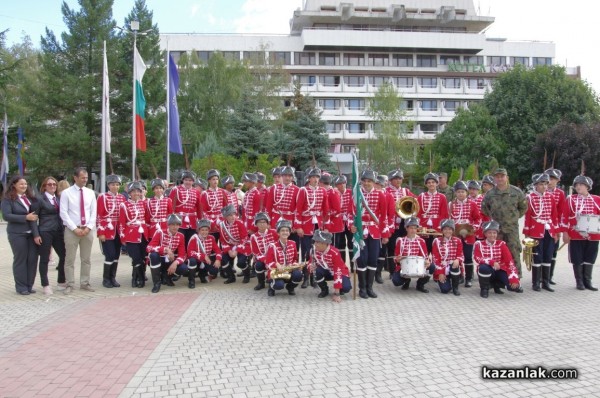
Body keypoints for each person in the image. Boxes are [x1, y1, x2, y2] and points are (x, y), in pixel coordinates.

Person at [349, 169, 389, 299]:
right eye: (364, 181)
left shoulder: (380, 195)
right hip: (361, 232)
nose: (366, 183)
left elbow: (384, 216)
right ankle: (362, 288)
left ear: (374, 182)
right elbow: (350, 214)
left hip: (375, 232)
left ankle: (370, 287)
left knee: (373, 260)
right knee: (362, 260)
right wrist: (351, 226)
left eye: (369, 181)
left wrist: (385, 234)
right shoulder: (356, 195)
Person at [481, 168, 527, 276]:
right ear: (494, 179)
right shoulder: (490, 194)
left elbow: (523, 207)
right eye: (497, 177)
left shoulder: (516, 192)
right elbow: (484, 209)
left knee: (514, 252)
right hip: (496, 230)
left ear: (507, 177)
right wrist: (495, 217)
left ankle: (516, 278)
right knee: (496, 253)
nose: (500, 178)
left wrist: (513, 218)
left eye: (502, 176)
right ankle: (497, 279)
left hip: (511, 229)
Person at [59, 167, 97, 294]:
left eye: (86, 178)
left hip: (87, 230)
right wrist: (74, 228)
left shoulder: (90, 193)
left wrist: (89, 227)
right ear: (75, 178)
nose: (85, 180)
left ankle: (85, 283)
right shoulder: (66, 193)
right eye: (82, 178)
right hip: (72, 230)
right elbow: (63, 213)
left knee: (86, 259)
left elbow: (93, 212)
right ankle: (70, 284)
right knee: (69, 259)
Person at [2, 175, 41, 295]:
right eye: (21, 184)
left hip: (31, 234)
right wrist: (25, 217)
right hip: (17, 234)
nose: (24, 186)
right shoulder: (7, 199)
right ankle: (21, 287)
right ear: (14, 185)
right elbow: (6, 216)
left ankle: (29, 285)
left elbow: (34, 218)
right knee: (21, 260)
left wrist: (36, 235)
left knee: (32, 260)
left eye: (25, 184)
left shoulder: (30, 198)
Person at [562, 175, 600, 291]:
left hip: (593, 235)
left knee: (590, 257)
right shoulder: (571, 199)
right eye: (577, 185)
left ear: (587, 187)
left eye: (581, 185)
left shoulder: (597, 199)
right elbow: (564, 216)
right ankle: (579, 282)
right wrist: (565, 232)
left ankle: (587, 281)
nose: (578, 187)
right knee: (577, 258)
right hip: (576, 234)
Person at [523, 173, 559, 292]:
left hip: (548, 230)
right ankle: (536, 283)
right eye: (541, 184)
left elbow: (554, 216)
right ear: (535, 185)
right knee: (537, 257)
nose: (544, 186)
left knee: (548, 256)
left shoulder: (551, 197)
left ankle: (546, 282)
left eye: (545, 184)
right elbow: (528, 216)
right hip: (535, 230)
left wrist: (556, 232)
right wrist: (526, 233)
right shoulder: (530, 197)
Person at [295, 167, 329, 288]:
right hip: (306, 224)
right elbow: (298, 210)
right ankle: (305, 277)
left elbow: (326, 210)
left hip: (317, 226)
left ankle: (314, 277)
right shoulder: (303, 190)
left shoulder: (323, 191)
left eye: (317, 177)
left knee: (316, 252)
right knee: (306, 252)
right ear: (308, 179)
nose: (315, 179)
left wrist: (325, 226)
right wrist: (298, 226)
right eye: (313, 177)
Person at [473, 220, 523, 298]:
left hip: (500, 269)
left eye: (494, 233)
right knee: (483, 268)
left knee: (513, 287)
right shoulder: (479, 244)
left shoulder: (501, 244)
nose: (492, 235)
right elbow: (477, 258)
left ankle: (496, 285)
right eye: (489, 233)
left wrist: (514, 279)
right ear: (485, 234)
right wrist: (492, 262)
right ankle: (484, 288)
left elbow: (509, 262)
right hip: (487, 269)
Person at [36, 176, 66, 295]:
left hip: (58, 232)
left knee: (64, 255)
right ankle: (45, 284)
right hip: (45, 231)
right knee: (44, 259)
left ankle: (61, 281)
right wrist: (36, 234)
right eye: (49, 184)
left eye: (54, 184)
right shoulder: (39, 199)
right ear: (44, 186)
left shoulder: (58, 198)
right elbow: (34, 218)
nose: (52, 186)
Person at [449, 180, 481, 287]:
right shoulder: (451, 204)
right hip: (455, 234)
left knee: (467, 256)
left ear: (466, 192)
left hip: (469, 235)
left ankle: (468, 278)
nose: (460, 194)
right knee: (456, 255)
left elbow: (477, 219)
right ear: (455, 193)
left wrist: (472, 230)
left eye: (463, 191)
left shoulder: (472, 204)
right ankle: (459, 276)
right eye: (458, 192)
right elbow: (449, 219)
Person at [385, 169, 416, 278]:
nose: (398, 181)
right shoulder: (386, 191)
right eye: (396, 179)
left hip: (404, 223)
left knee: (404, 245)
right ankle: (392, 271)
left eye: (400, 178)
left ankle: (404, 267)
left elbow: (414, 201)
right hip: (392, 223)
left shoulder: (405, 191)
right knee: (392, 246)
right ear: (390, 180)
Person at [96, 174, 125, 288]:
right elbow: (99, 216)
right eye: (113, 184)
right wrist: (100, 232)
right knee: (110, 255)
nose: (115, 187)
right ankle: (106, 279)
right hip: (107, 230)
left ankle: (113, 278)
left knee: (116, 255)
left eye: (117, 185)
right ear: (108, 185)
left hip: (119, 230)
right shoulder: (103, 197)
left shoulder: (122, 197)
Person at [147, 214, 187, 292]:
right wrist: (165, 249)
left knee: (184, 268)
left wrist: (175, 263)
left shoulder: (181, 236)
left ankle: (167, 277)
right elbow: (149, 248)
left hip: (170, 260)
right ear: (168, 225)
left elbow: (182, 254)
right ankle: (157, 283)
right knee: (153, 255)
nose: (175, 227)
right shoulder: (160, 232)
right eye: (172, 224)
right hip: (159, 259)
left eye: (177, 225)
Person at [119, 181, 149, 288]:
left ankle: (136, 278)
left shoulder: (144, 203)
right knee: (135, 258)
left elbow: (147, 219)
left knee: (142, 258)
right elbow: (122, 223)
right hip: (131, 235)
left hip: (143, 235)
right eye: (134, 191)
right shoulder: (124, 205)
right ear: (129, 193)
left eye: (138, 191)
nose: (136, 193)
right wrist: (122, 237)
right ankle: (138, 278)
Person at [308, 230, 351, 302]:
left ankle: (340, 289)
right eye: (315, 241)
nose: (315, 244)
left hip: (338, 272)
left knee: (346, 288)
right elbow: (309, 262)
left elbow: (338, 271)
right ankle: (324, 289)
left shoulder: (335, 252)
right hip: (325, 271)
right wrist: (310, 267)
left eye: (317, 242)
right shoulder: (314, 250)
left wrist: (337, 293)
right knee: (317, 271)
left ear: (324, 243)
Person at [392, 216, 432, 293]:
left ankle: (420, 284)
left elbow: (425, 256)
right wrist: (397, 259)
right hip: (404, 267)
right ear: (406, 228)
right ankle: (407, 280)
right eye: (411, 228)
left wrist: (427, 262)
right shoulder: (401, 241)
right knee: (396, 281)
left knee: (432, 267)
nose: (413, 230)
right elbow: (395, 257)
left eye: (415, 228)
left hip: (418, 266)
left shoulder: (421, 241)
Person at [264, 219, 303, 297]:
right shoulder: (272, 245)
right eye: (282, 231)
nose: (285, 232)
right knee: (279, 286)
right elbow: (268, 263)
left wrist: (295, 263)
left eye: (287, 230)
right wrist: (276, 264)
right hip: (276, 272)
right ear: (278, 233)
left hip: (288, 270)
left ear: (289, 232)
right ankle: (271, 287)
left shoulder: (293, 243)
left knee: (298, 275)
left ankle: (290, 287)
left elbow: (295, 258)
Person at [218, 204, 250, 284]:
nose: (233, 217)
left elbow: (244, 238)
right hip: (230, 246)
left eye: (234, 214)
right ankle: (231, 277)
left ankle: (247, 275)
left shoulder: (240, 223)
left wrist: (236, 250)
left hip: (242, 245)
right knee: (223, 260)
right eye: (230, 215)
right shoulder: (222, 225)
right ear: (225, 217)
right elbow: (223, 240)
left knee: (241, 263)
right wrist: (229, 251)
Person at [417, 172, 449, 252]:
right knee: (424, 248)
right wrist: (419, 225)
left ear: (437, 183)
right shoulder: (421, 196)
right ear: (426, 184)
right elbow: (418, 212)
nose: (431, 184)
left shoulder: (442, 197)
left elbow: (444, 214)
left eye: (433, 182)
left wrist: (440, 226)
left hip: (437, 224)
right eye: (429, 183)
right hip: (424, 224)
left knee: (436, 249)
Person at [545, 167, 566, 285]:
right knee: (540, 252)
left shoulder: (560, 194)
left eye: (553, 179)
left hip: (554, 226)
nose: (550, 181)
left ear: (558, 181)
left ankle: (549, 276)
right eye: (549, 178)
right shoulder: (540, 191)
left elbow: (562, 212)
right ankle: (540, 277)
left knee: (553, 252)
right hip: (541, 226)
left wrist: (559, 230)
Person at [431, 219, 464, 296]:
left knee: (455, 265)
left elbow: (461, 255)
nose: (447, 231)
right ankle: (444, 281)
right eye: (445, 229)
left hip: (453, 266)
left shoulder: (458, 241)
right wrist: (440, 273)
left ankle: (455, 287)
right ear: (442, 230)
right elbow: (435, 259)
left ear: (452, 230)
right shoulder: (436, 241)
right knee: (445, 290)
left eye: (449, 229)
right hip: (442, 268)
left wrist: (458, 259)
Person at [170, 170, 203, 245]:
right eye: (186, 180)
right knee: (179, 243)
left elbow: (199, 209)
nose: (188, 182)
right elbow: (172, 207)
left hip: (192, 222)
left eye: (190, 180)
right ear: (183, 180)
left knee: (191, 243)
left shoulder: (196, 192)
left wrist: (200, 222)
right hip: (179, 221)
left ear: (193, 181)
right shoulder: (176, 190)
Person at [187, 219, 223, 284]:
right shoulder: (194, 238)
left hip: (205, 261)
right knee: (192, 261)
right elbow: (190, 252)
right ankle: (191, 280)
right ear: (198, 230)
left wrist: (218, 259)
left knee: (214, 270)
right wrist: (203, 256)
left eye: (206, 230)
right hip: (196, 261)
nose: (204, 232)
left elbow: (218, 250)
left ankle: (202, 275)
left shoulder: (211, 238)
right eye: (202, 230)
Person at [249, 212, 278, 290]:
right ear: (256, 224)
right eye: (259, 222)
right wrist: (266, 260)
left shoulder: (274, 232)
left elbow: (278, 246)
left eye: (264, 222)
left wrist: (271, 260)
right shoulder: (253, 236)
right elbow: (256, 252)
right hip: (262, 259)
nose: (262, 224)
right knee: (258, 265)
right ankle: (261, 283)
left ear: (267, 223)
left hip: (274, 257)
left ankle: (273, 279)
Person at [201, 169, 228, 238]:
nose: (215, 181)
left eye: (216, 179)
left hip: (222, 222)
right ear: (209, 181)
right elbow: (204, 211)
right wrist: (212, 223)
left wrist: (222, 220)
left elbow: (226, 207)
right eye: (213, 179)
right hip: (210, 223)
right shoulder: (205, 194)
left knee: (224, 244)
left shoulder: (223, 191)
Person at [334, 175, 355, 265]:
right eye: (339, 184)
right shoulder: (334, 193)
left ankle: (353, 264)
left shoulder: (351, 192)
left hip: (349, 221)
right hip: (339, 221)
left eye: (343, 183)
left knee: (351, 242)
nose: (342, 185)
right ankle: (342, 264)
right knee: (340, 243)